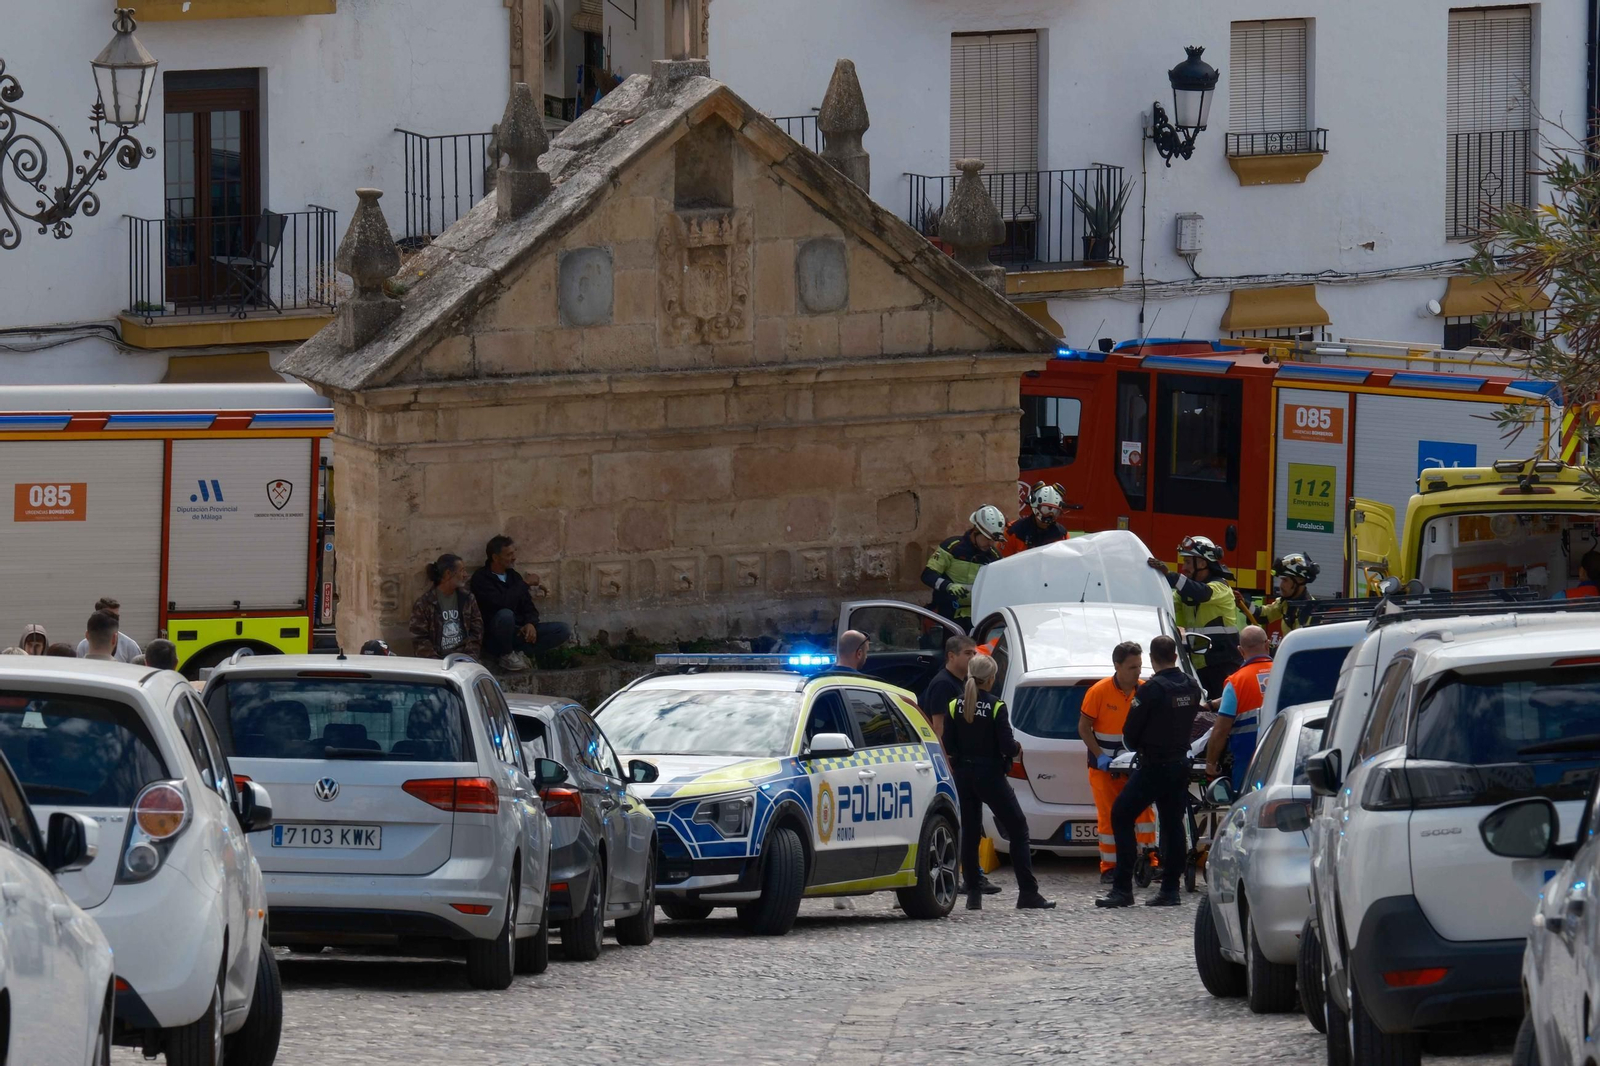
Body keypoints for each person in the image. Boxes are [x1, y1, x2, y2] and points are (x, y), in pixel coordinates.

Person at [1096, 635, 1203, 909]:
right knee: (1173, 824)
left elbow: (1130, 733)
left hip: (1154, 765)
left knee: (1120, 814)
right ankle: (1170, 889)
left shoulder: (1152, 689)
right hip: (1179, 763)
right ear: (1176, 657)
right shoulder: (1192, 686)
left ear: (1153, 660)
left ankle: (1122, 889)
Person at [944, 654, 1055, 911]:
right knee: (1018, 828)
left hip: (963, 775)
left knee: (970, 834)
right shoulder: (996, 706)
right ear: (991, 678)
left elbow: (948, 745)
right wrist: (1016, 747)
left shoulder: (953, 705)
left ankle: (973, 893)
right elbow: (1007, 746)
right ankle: (1028, 893)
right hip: (991, 776)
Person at [1079, 641, 1157, 884]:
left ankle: (1148, 862)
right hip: (1105, 767)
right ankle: (1110, 867)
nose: (1138, 672)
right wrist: (1100, 755)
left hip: (1136, 765)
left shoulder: (1144, 691)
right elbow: (1084, 728)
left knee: (1145, 815)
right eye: (1132, 667)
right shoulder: (1099, 691)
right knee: (1108, 817)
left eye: (1140, 667)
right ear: (1117, 666)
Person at [1147, 536, 1243, 699]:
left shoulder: (1221, 587)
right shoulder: (1184, 594)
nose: (1184, 568)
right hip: (1198, 667)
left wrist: (1171, 576)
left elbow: (1202, 593)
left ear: (1203, 563)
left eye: (1188, 563)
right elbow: (1167, 604)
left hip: (1224, 666)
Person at [470, 535, 572, 672]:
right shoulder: (481, 578)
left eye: (514, 553)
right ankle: (505, 655)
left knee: (562, 629)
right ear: (495, 557)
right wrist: (524, 584)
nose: (514, 557)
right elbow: (502, 603)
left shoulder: (514, 576)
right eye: (509, 554)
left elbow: (528, 607)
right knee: (506, 615)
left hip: (518, 632)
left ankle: (519, 654)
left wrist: (530, 623)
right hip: (495, 634)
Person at [1206, 626, 1274, 792]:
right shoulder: (1284, 671)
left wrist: (1211, 763)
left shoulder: (1236, 682)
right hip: (1283, 756)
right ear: (1267, 645)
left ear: (1240, 650)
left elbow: (1221, 730)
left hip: (1248, 762)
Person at [922, 506, 1006, 629]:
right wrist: (948, 586)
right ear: (975, 530)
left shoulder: (994, 555)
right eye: (987, 539)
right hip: (948, 615)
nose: (990, 544)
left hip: (979, 618)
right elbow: (927, 575)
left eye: (994, 540)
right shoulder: (952, 547)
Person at [410, 553, 484, 660]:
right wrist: (436, 663)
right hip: (436, 662)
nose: (465, 575)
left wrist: (469, 658)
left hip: (464, 659)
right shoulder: (424, 603)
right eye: (462, 571)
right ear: (448, 574)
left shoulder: (467, 598)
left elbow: (477, 631)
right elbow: (419, 638)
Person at [919, 635, 977, 743]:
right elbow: (938, 728)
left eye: (974, 653)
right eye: (968, 653)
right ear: (951, 656)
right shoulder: (943, 684)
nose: (973, 658)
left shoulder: (963, 680)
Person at [1255, 553, 1320, 635]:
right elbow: (1263, 616)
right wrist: (1243, 602)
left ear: (1300, 580)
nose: (1281, 585)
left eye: (1285, 580)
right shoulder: (1285, 603)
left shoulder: (1312, 612)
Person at [1001, 483, 1070, 557]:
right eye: (1045, 510)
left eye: (1054, 511)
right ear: (1035, 507)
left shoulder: (1062, 535)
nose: (1050, 515)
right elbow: (1001, 563)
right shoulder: (1013, 532)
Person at [75, 597, 141, 662]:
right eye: (109, 616)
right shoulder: (82, 647)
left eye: (116, 617)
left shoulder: (130, 646)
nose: (114, 621)